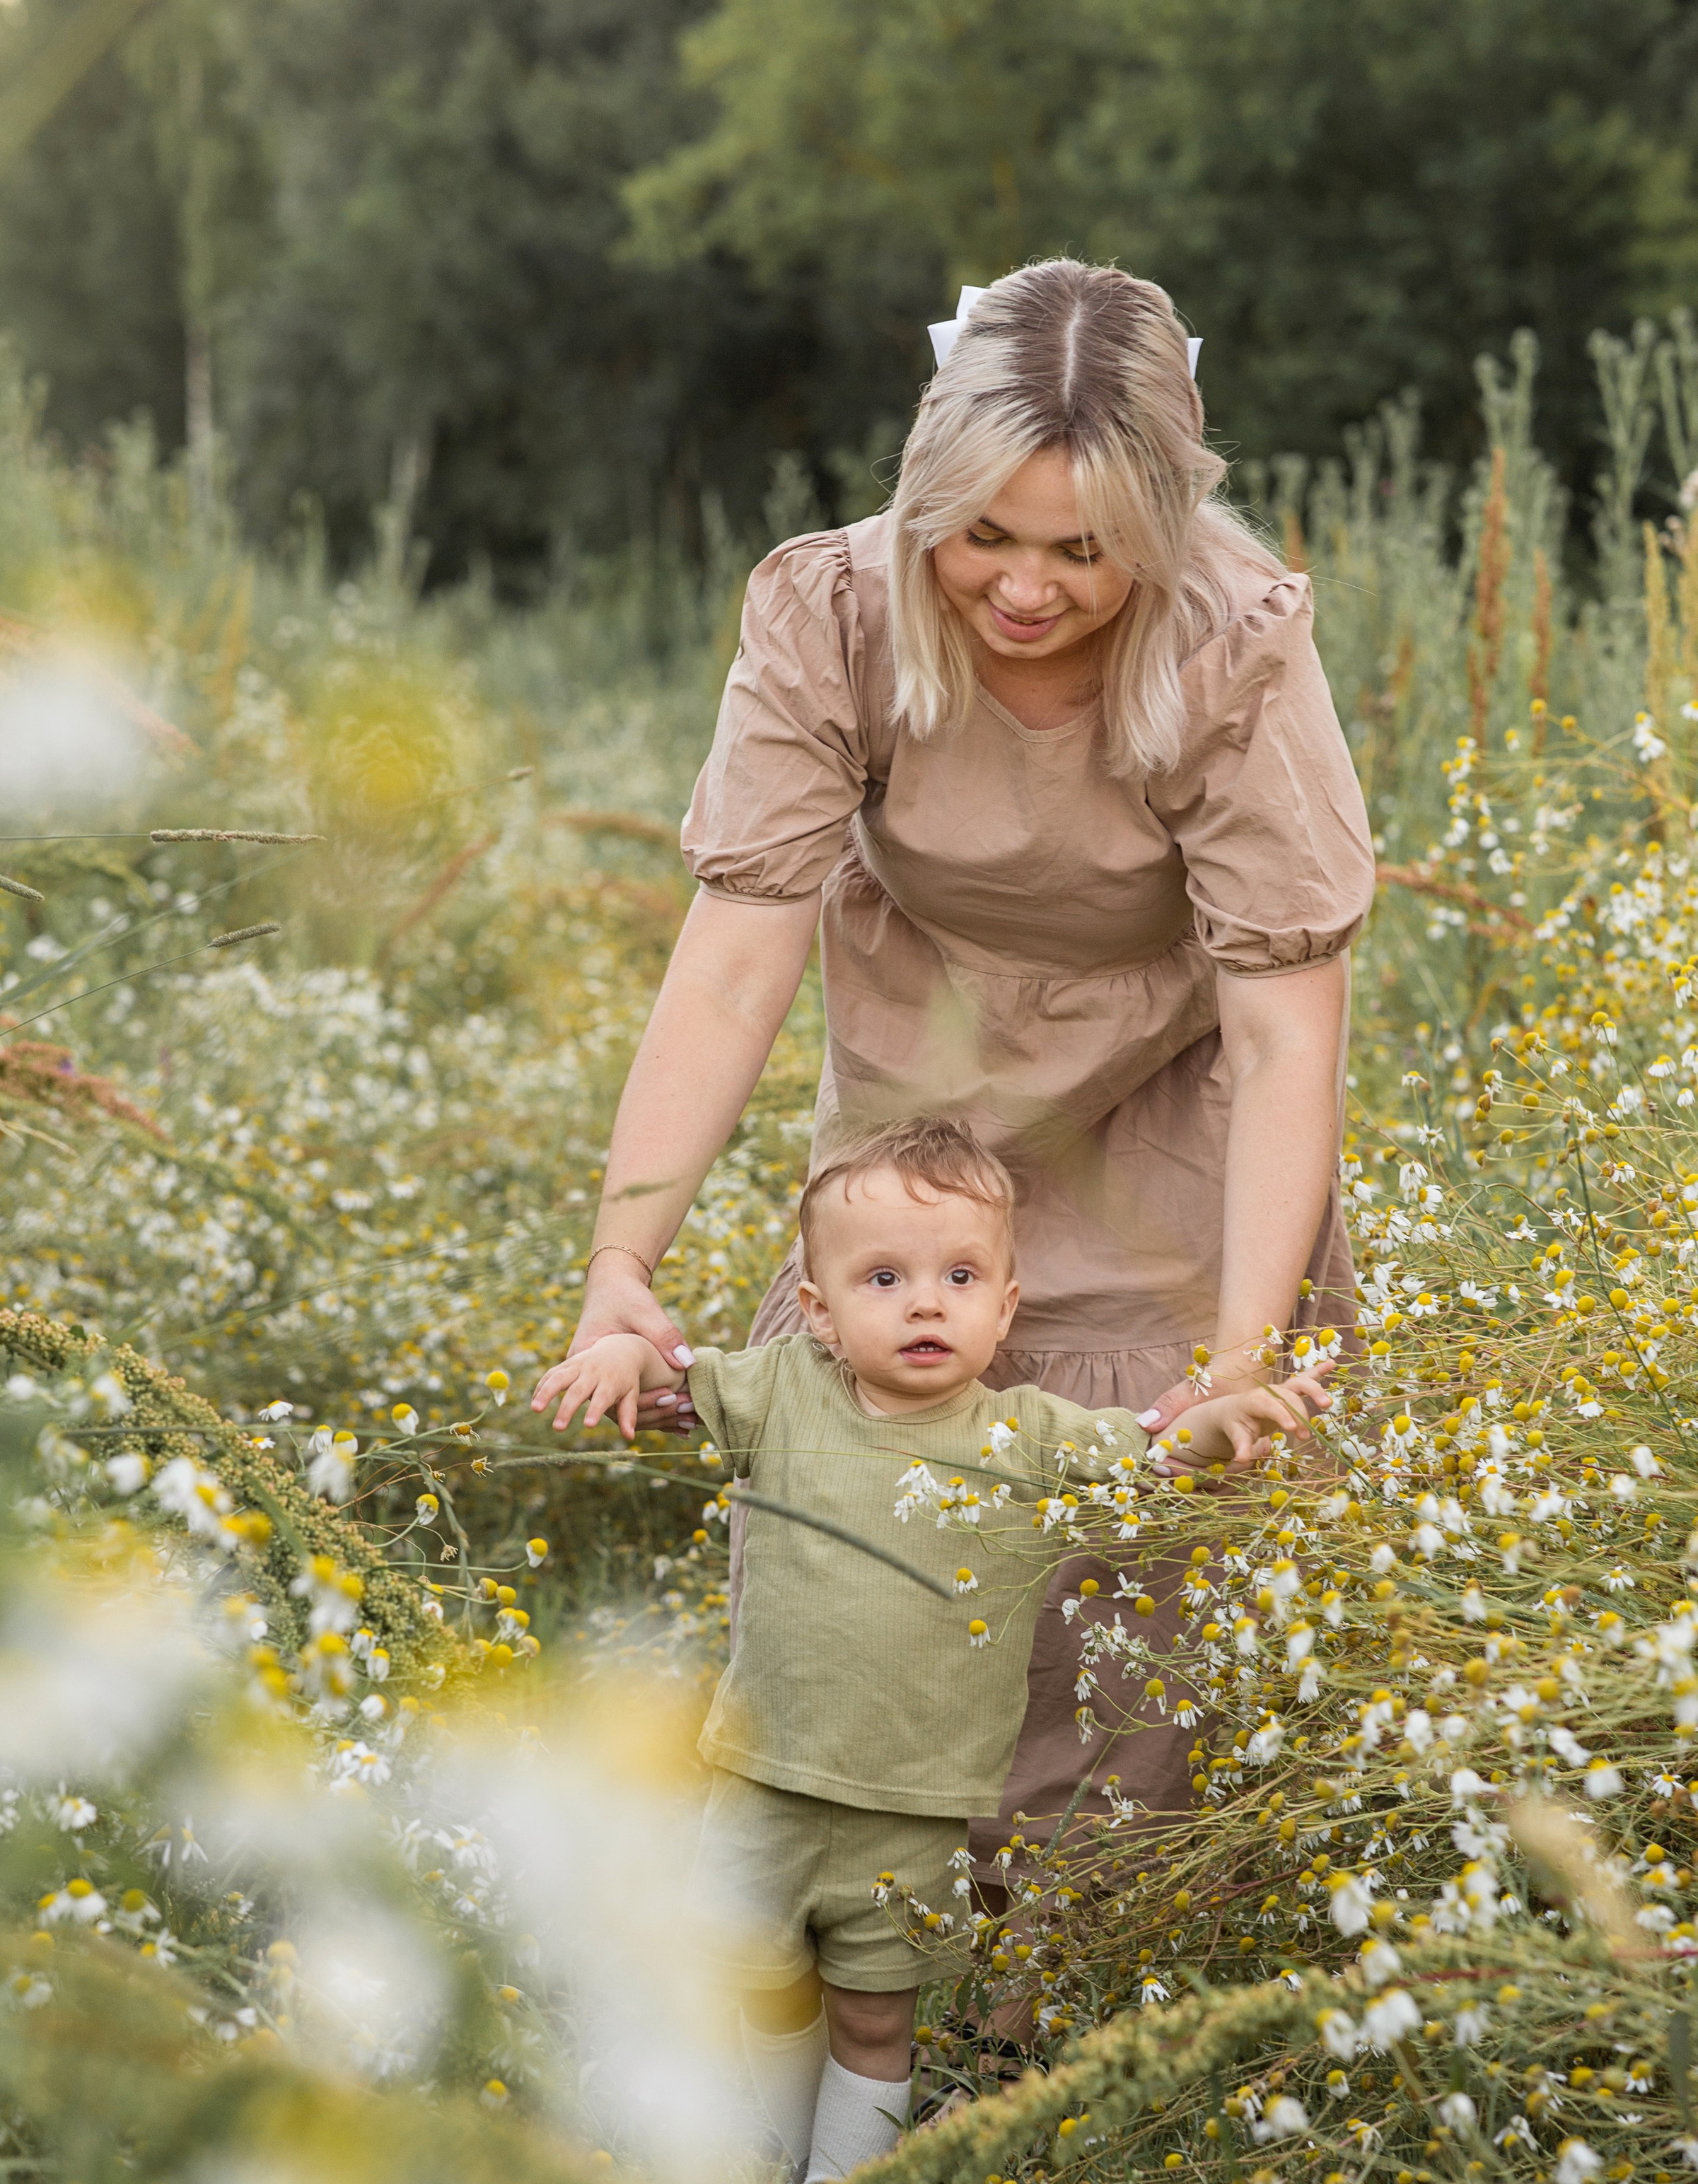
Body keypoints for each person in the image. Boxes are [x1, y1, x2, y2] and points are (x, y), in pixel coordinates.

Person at [565, 255, 1372, 1888]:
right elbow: (733, 961)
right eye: (981, 534)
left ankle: (1050, 2037)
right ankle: (868, 1988)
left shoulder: (1229, 649)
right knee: (876, 1551)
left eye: (1084, 551)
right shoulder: (834, 611)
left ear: (1155, 526)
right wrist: (618, 1264)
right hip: (923, 1125)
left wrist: (1236, 1353)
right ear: (924, 491)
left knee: (1130, 1619)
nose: (1021, 587)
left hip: (1166, 1132)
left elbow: (1288, 1023)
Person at [533, 1119, 1332, 2184]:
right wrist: (623, 1359)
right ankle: (759, 2153)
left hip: (912, 1811)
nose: (924, 1305)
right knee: (757, 1986)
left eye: (959, 1279)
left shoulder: (1022, 1439)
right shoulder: (785, 1396)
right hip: (764, 1784)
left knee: (874, 2020)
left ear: (1006, 1311)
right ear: (817, 1310)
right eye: (884, 1279)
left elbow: (1151, 1453)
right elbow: (678, 1376)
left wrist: (1213, 1420)